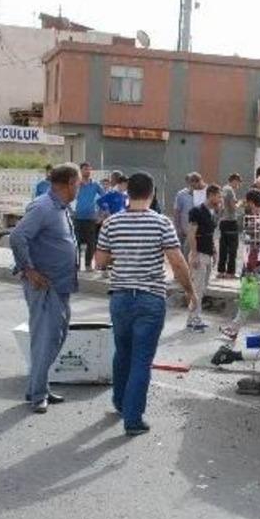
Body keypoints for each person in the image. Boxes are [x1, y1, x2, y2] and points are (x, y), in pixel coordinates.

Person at [95, 173, 197, 436]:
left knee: (123, 352)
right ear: (152, 194)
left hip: (119, 298)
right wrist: (190, 291)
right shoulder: (161, 223)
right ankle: (133, 419)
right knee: (142, 358)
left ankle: (120, 402)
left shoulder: (112, 223)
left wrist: (123, 255)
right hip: (150, 299)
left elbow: (100, 262)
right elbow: (177, 261)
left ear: (128, 192)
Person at [9, 163, 82, 413]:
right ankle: (37, 394)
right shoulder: (43, 207)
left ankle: (38, 387)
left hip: (61, 285)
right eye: (78, 183)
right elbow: (17, 236)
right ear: (69, 183)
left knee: (56, 337)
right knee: (45, 339)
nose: (80, 188)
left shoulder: (60, 208)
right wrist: (28, 270)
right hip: (45, 286)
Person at [221, 189, 260, 341]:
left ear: (250, 202)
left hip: (256, 267)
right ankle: (234, 329)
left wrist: (249, 269)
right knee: (254, 302)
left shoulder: (255, 220)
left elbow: (255, 246)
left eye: (247, 202)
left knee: (255, 301)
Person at [186, 184, 223, 331]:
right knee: (197, 288)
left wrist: (214, 250)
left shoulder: (211, 213)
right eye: (219, 196)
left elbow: (210, 234)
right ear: (211, 195)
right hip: (199, 254)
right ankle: (192, 319)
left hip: (207, 253)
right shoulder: (196, 211)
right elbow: (191, 234)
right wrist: (194, 254)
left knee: (202, 288)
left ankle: (195, 317)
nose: (220, 199)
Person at [73, 162, 104, 271]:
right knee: (75, 242)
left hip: (91, 217)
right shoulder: (76, 184)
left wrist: (100, 214)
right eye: (85, 169)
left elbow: (104, 199)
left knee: (91, 243)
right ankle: (75, 265)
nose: (88, 171)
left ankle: (88, 264)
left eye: (89, 169)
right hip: (77, 217)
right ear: (80, 171)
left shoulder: (95, 185)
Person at [218, 173, 242, 279]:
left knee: (223, 247)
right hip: (231, 221)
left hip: (223, 221)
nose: (239, 185)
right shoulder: (230, 190)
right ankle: (230, 272)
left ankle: (221, 271)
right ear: (234, 180)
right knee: (232, 248)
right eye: (238, 182)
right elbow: (233, 207)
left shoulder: (223, 189)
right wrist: (240, 203)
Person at [174, 172, 204, 257]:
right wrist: (178, 227)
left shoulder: (202, 195)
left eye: (197, 181)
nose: (195, 184)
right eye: (193, 181)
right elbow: (177, 212)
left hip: (198, 231)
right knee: (184, 255)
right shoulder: (181, 195)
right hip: (184, 230)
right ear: (189, 183)